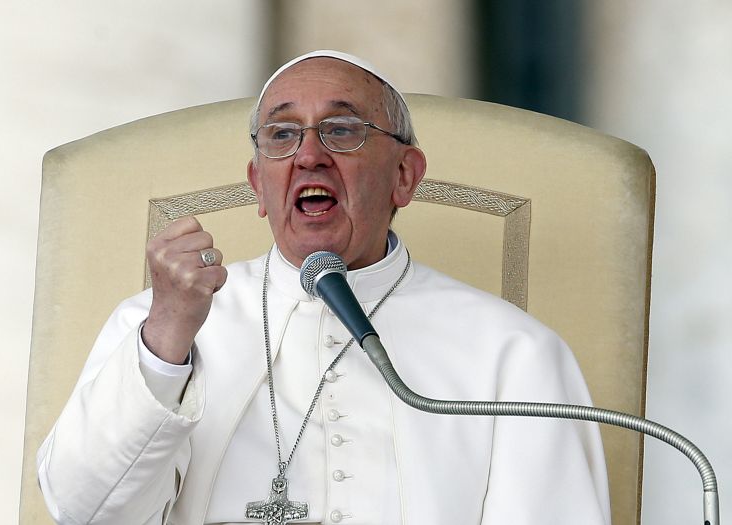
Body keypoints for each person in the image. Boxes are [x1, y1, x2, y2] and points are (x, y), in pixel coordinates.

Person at [37, 50, 611, 525]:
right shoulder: (158, 327)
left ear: (405, 176)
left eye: (341, 130)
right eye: (282, 134)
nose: (309, 155)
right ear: (259, 185)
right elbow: (84, 513)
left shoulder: (513, 353)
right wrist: (167, 339)